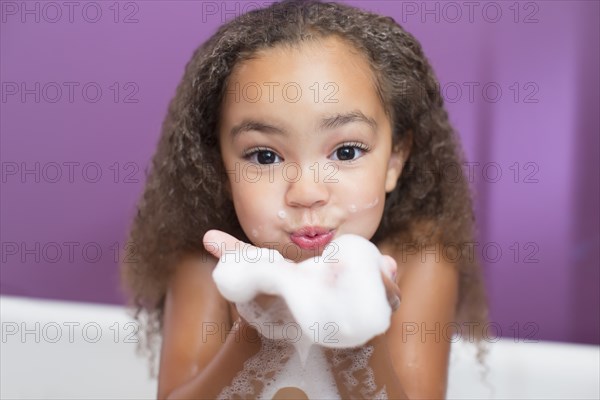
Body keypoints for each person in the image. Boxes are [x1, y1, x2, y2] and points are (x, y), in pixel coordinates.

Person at [121, 0, 488, 398]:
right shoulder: (206, 261)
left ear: (394, 161)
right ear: (222, 170)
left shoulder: (421, 255)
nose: (307, 193)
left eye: (346, 152)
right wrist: (266, 331)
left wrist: (354, 334)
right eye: (264, 156)